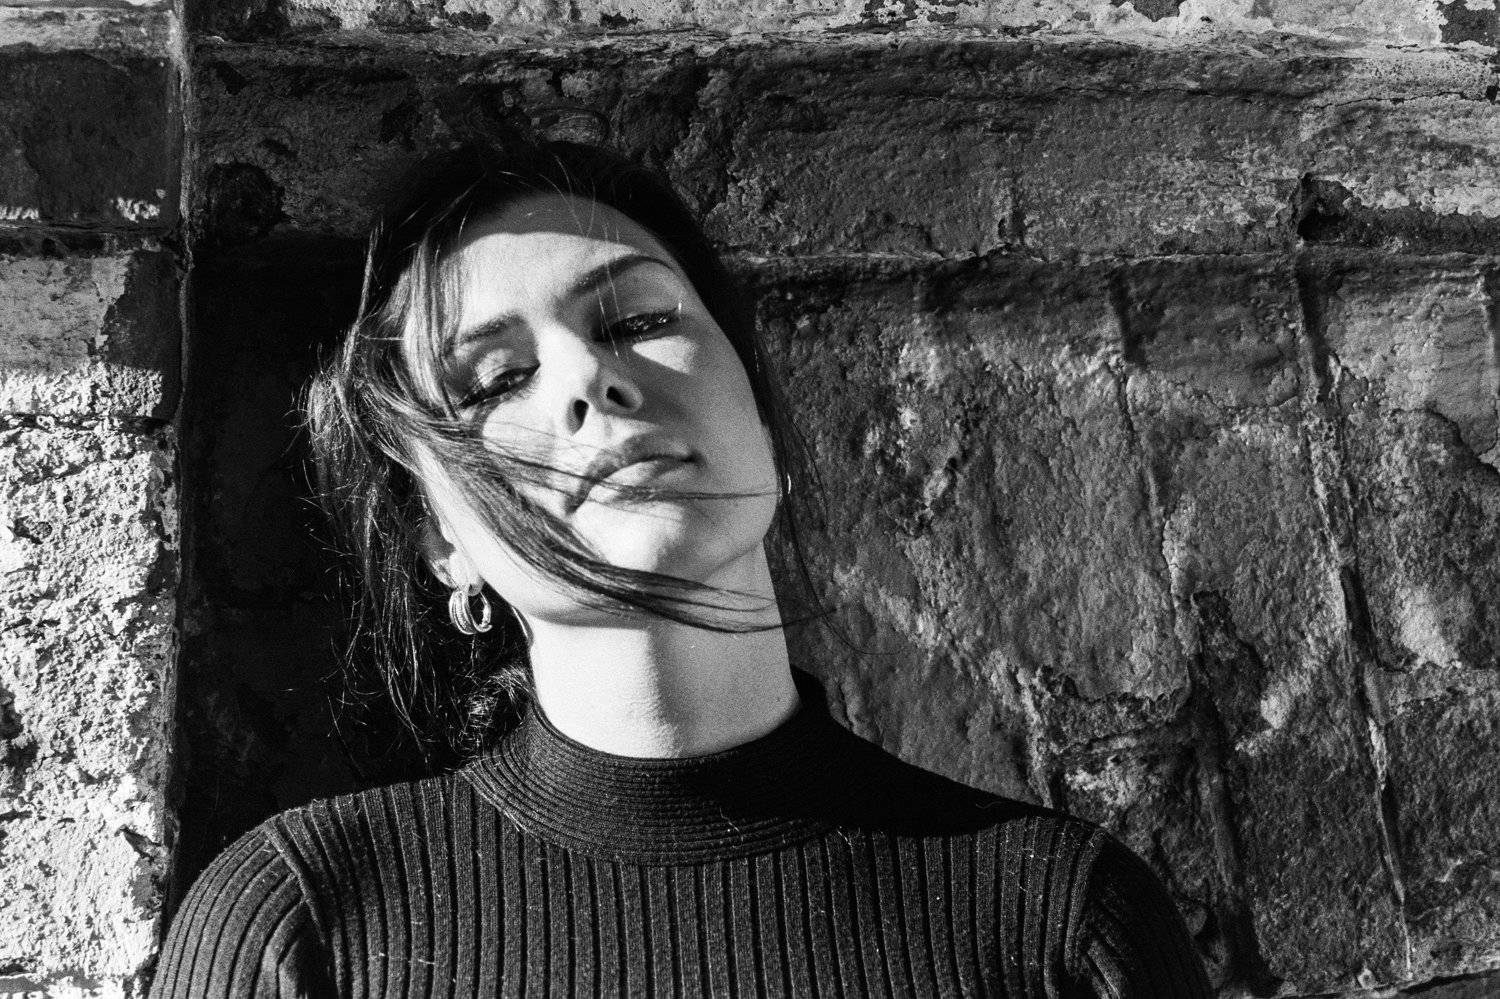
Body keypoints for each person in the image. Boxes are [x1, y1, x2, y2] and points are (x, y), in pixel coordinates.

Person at [150, 136, 1213, 998]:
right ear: (440, 541)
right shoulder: (303, 924)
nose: (586, 376)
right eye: (495, 380)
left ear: (755, 407)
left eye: (639, 320)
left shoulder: (1061, 923)